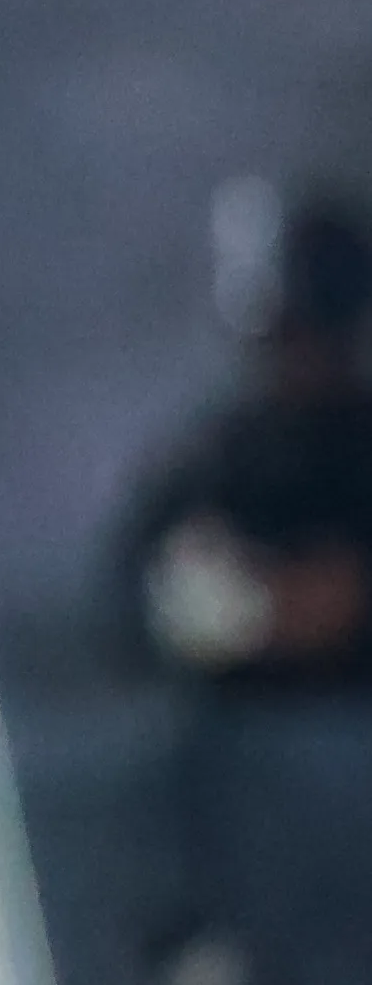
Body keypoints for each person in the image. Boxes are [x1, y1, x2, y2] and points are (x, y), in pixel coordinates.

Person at [122, 191, 372, 688]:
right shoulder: (220, 457)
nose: (292, 357)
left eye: (304, 332)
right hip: (235, 733)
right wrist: (196, 601)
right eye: (277, 335)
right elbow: (130, 590)